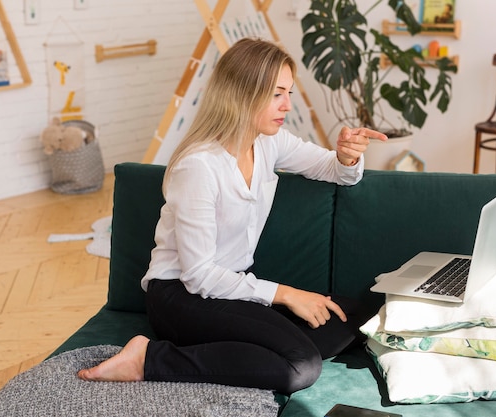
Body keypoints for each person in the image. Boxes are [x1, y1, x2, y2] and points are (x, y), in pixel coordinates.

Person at [78, 37, 387, 394]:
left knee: (353, 315)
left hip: (230, 293)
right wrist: (287, 294)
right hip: (181, 296)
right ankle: (148, 359)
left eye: (288, 93)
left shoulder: (268, 142)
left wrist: (347, 157)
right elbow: (198, 276)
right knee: (300, 367)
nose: (287, 105)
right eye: (277, 94)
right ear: (242, 92)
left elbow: (331, 169)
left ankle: (245, 354)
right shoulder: (199, 166)